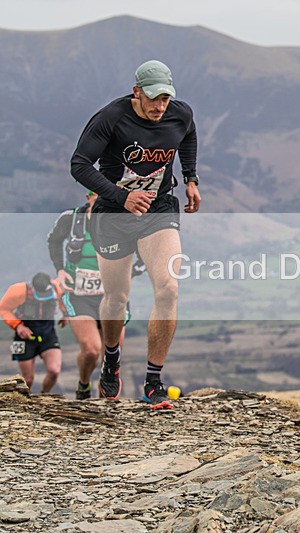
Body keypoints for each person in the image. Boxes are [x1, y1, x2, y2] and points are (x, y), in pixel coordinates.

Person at [70, 59, 201, 409]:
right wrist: (121, 196)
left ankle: (153, 382)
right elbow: (79, 164)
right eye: (154, 99)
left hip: (158, 211)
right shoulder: (110, 118)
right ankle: (111, 361)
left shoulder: (178, 114)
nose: (160, 107)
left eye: (165, 99)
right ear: (137, 92)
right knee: (116, 297)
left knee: (169, 286)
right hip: (114, 214)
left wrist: (190, 178)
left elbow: (187, 134)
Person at [47, 190, 146, 400]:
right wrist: (60, 270)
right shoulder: (72, 219)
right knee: (91, 350)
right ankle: (83, 385)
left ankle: (105, 404)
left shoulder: (122, 221)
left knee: (111, 355)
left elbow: (148, 246)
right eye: (97, 194)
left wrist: (135, 270)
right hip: (79, 295)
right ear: (88, 197)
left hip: (112, 296)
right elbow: (54, 241)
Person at [0, 273, 66, 393]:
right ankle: (25, 402)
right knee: (28, 379)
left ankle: (44, 395)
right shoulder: (18, 291)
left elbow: (64, 299)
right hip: (24, 337)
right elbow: (3, 309)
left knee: (54, 371)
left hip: (48, 334)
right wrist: (18, 326)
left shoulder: (57, 288)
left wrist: (65, 314)